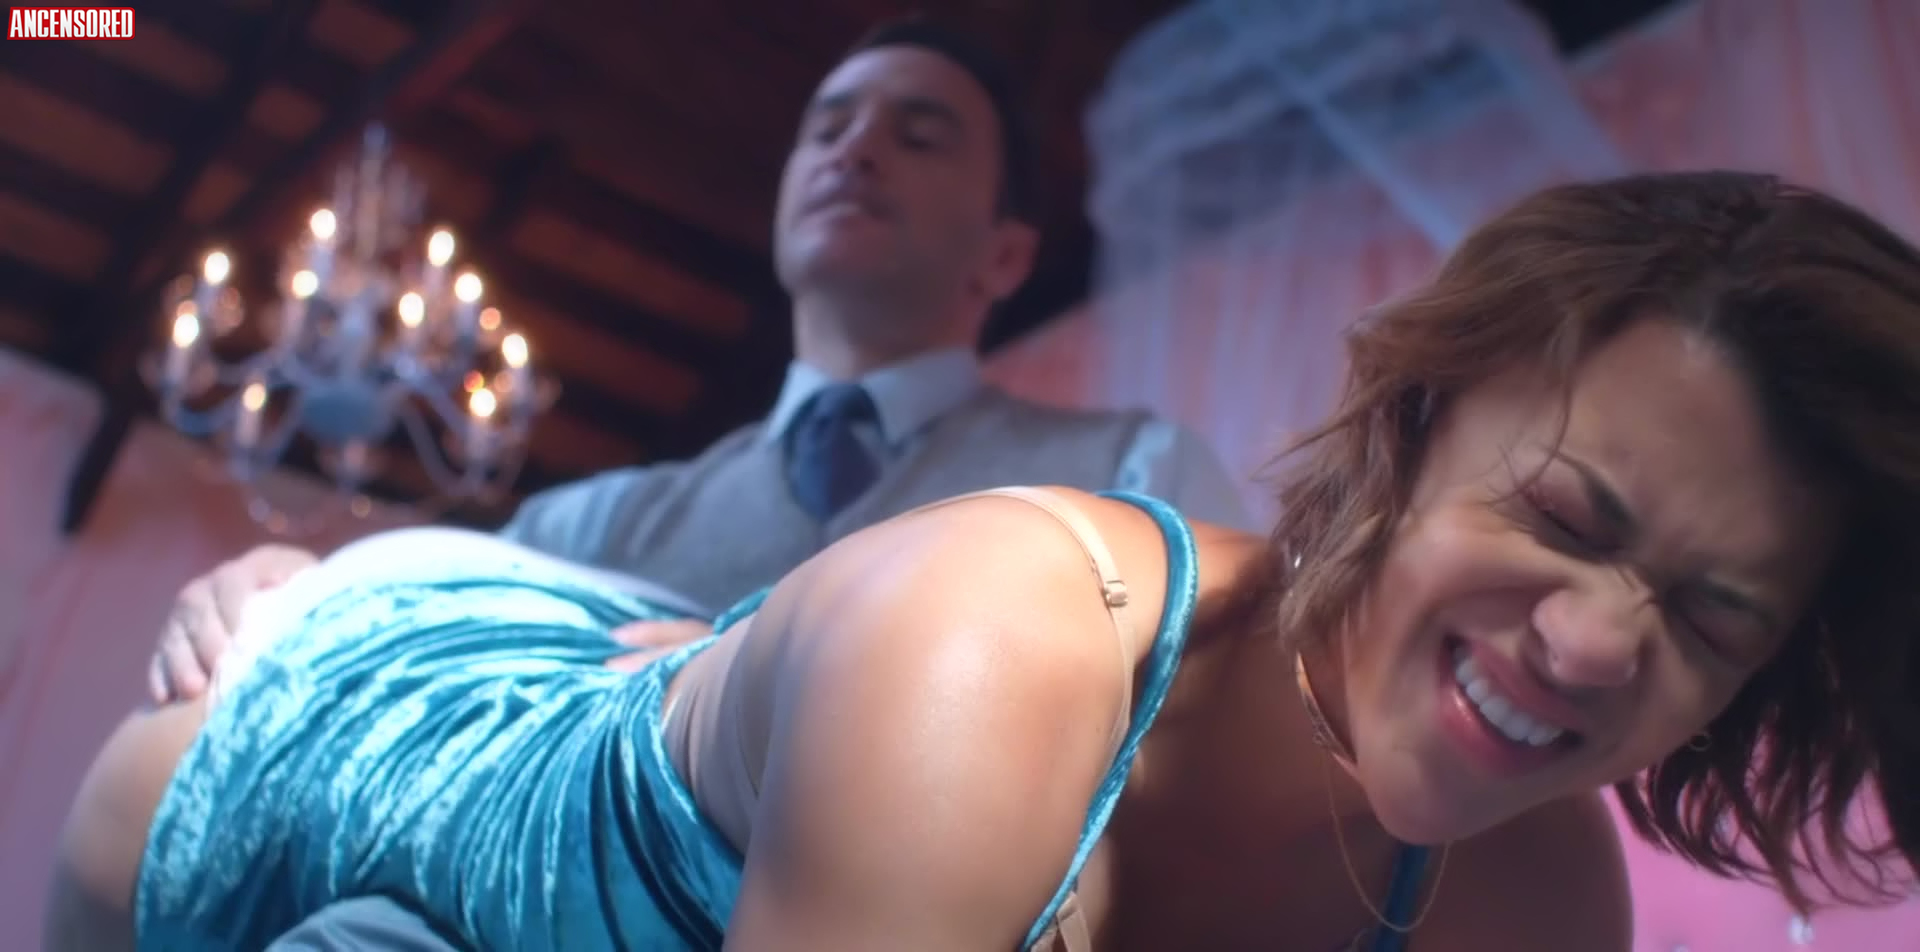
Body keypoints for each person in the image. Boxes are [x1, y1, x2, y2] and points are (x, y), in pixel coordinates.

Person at [49, 171, 1920, 951]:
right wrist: (323, 583)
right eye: (1568, 520)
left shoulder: (1535, 893)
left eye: (1711, 617)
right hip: (337, 756)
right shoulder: (998, 637)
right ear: (1422, 420)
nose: (1593, 644)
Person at [144, 17, 1250, 711]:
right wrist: (308, 596)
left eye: (918, 136)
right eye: (827, 129)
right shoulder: (586, 526)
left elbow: (1194, 746)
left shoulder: (1136, 479)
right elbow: (434, 654)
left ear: (1005, 255)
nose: (855, 150)